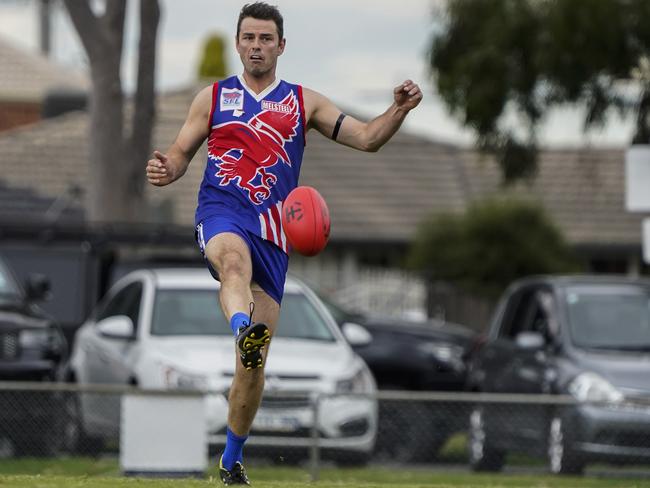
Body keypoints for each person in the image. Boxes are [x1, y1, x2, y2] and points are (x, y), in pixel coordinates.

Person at [146, 2, 422, 485]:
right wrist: (166, 169)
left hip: (274, 234)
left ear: (281, 46)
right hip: (221, 213)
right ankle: (240, 328)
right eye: (248, 38)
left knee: (251, 372)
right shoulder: (212, 99)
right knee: (232, 266)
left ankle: (232, 462)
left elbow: (366, 138)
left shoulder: (304, 102)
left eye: (265, 39)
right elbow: (179, 153)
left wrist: (396, 109)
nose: (256, 46)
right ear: (238, 44)